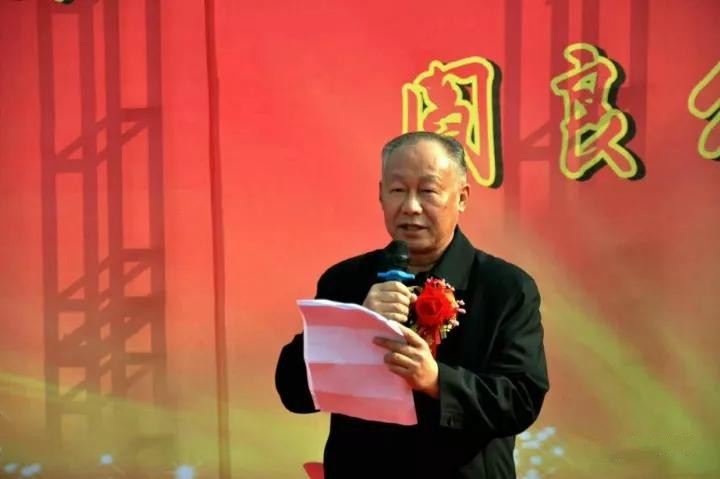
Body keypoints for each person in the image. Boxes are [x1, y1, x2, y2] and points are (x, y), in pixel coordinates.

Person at [275, 131, 549, 478]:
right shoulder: (346, 281)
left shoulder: (505, 288)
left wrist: (437, 381)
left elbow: (521, 400)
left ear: (462, 197)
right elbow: (294, 392)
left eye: (428, 191)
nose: (411, 206)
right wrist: (352, 327)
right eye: (398, 190)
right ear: (381, 195)